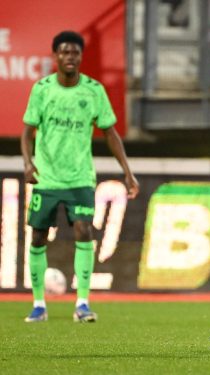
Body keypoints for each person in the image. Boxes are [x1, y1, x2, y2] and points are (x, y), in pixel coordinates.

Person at [21, 31, 140, 323]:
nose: (70, 57)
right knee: (37, 237)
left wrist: (128, 172)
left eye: (75, 53)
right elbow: (27, 131)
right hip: (47, 179)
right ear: (55, 56)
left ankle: (82, 304)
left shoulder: (93, 91)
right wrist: (28, 163)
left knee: (84, 231)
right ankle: (39, 305)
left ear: (80, 57)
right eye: (64, 52)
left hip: (80, 178)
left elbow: (110, 132)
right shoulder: (42, 89)